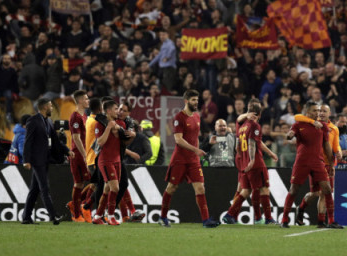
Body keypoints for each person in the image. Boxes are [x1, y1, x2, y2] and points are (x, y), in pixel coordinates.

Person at [158, 89, 219, 228]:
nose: (196, 102)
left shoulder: (197, 117)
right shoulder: (179, 117)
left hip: (193, 161)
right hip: (179, 159)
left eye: (197, 100)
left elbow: (195, 138)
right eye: (193, 100)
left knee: (200, 188)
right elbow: (178, 140)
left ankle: (206, 221)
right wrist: (196, 150)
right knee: (171, 188)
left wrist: (198, 152)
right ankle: (162, 217)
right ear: (186, 101)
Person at [279, 101, 338, 228]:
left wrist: (331, 163)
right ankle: (284, 220)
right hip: (302, 162)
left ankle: (330, 221)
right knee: (294, 190)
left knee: (327, 189)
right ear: (307, 112)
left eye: (318, 110)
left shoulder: (322, 126)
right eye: (314, 110)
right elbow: (290, 134)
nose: (317, 113)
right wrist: (289, 135)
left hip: (318, 162)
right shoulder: (298, 124)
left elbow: (326, 145)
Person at [222, 99, 278, 225]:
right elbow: (252, 143)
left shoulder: (242, 126)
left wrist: (244, 157)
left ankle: (230, 214)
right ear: (260, 114)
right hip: (255, 162)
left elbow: (239, 145)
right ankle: (267, 218)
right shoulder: (255, 126)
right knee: (264, 189)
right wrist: (252, 159)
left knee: (246, 190)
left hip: (243, 162)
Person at [22, 98, 74, 225]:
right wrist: (26, 160)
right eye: (50, 106)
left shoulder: (49, 121)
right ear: (45, 107)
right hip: (37, 160)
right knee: (44, 188)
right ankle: (53, 216)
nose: (52, 108)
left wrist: (67, 150)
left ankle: (26, 217)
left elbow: (55, 140)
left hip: (46, 159)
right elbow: (28, 141)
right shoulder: (33, 121)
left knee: (34, 189)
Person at [294, 104, 343, 228]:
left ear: (329, 113)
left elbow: (335, 145)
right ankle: (301, 208)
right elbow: (297, 117)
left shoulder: (334, 129)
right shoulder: (311, 123)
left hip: (328, 163)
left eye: (324, 111)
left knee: (325, 193)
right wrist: (312, 121)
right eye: (319, 111)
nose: (321, 113)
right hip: (316, 162)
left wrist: (339, 152)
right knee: (315, 193)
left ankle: (324, 221)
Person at [91, 100, 132, 226]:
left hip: (117, 160)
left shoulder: (121, 124)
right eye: (115, 109)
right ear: (108, 111)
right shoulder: (100, 125)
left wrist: (131, 135)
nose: (118, 111)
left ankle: (97, 216)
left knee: (107, 189)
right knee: (115, 188)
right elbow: (100, 143)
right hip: (105, 161)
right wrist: (109, 127)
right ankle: (111, 216)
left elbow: (124, 143)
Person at [116, 102, 145, 223]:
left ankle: (128, 214)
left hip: (116, 158)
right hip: (102, 157)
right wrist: (131, 153)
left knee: (121, 185)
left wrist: (134, 133)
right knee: (100, 186)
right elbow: (116, 144)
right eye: (120, 109)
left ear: (128, 113)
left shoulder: (125, 122)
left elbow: (121, 144)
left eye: (124, 110)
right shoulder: (112, 121)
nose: (120, 112)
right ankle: (87, 206)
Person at [66, 90, 92, 222]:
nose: (88, 101)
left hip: (86, 153)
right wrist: (84, 155)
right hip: (78, 154)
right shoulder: (75, 116)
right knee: (79, 183)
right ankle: (77, 214)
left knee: (94, 181)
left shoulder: (85, 116)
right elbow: (76, 138)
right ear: (80, 101)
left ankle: (76, 205)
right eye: (86, 99)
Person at [0, 54, 18, 123]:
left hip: (7, 90)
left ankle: (8, 114)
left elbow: (15, 83)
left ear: (10, 60)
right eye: (5, 58)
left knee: (9, 96)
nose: (6, 60)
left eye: (8, 58)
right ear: (2, 60)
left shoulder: (12, 71)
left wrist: (15, 92)